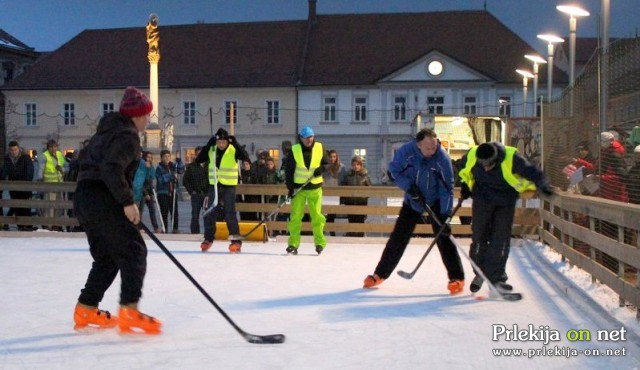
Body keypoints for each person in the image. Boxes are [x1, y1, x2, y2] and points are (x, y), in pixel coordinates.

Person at [73, 86, 161, 334]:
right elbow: (112, 168)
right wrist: (127, 202)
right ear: (137, 115)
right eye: (146, 115)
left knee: (107, 257)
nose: (147, 120)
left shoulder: (105, 132)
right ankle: (130, 311)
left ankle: (86, 308)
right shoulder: (127, 136)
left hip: (85, 198)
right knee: (134, 251)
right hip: (103, 197)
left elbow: (88, 165)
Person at [362, 128, 465, 295]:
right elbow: (394, 171)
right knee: (398, 238)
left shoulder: (442, 158)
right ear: (418, 145)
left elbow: (447, 188)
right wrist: (409, 188)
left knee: (444, 238)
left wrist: (445, 215)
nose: (432, 151)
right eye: (428, 148)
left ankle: (457, 278)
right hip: (413, 200)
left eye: (434, 146)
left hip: (436, 201)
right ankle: (379, 274)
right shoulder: (406, 152)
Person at [458, 141, 553, 294]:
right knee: (478, 238)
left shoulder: (511, 158)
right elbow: (462, 168)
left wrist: (543, 186)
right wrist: (464, 184)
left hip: (504, 202)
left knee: (500, 240)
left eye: (489, 165)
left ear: (496, 159)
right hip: (482, 200)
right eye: (482, 164)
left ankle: (497, 279)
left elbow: (532, 172)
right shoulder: (472, 154)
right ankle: (481, 273)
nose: (485, 168)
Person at [195, 127, 250, 253]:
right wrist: (208, 144)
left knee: (229, 213)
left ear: (227, 142)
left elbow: (245, 157)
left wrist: (235, 143)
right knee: (209, 212)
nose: (221, 145)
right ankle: (208, 238)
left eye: (223, 142)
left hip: (228, 186)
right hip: (214, 185)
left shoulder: (233, 149)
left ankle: (236, 241)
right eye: (219, 142)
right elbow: (199, 160)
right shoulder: (212, 149)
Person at [284, 126, 329, 255]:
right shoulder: (295, 150)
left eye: (310, 137)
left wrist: (321, 169)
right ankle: (293, 243)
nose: (309, 140)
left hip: (315, 188)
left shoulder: (320, 147)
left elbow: (326, 163)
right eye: (306, 138)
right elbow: (289, 171)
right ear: (301, 138)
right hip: (299, 189)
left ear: (313, 137)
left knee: (317, 217)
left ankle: (320, 243)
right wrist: (290, 188)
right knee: (295, 218)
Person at [2, 140, 35, 230]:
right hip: (13, 187)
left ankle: (28, 226)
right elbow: (4, 171)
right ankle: (20, 225)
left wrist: (25, 183)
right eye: (12, 150)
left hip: (24, 186)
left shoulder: (25, 157)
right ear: (9, 150)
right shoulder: (8, 159)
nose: (14, 152)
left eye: (15, 149)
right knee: (16, 206)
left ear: (18, 148)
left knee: (25, 207)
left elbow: (29, 171)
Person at [39, 139, 68, 231]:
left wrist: (62, 169)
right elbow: (41, 170)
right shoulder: (44, 156)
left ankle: (56, 224)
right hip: (49, 184)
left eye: (55, 146)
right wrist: (40, 181)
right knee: (49, 206)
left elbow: (66, 166)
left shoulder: (59, 154)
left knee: (59, 205)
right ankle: (48, 225)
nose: (53, 149)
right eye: (51, 147)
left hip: (59, 183)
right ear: (48, 148)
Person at [340, 155, 371, 237]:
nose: (356, 166)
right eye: (354, 165)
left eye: (357, 164)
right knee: (351, 220)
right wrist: (344, 200)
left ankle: (360, 234)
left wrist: (364, 197)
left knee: (360, 220)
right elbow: (344, 187)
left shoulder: (365, 175)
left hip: (361, 202)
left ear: (361, 165)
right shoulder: (348, 175)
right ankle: (351, 234)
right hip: (350, 202)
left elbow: (370, 189)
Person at [155, 150, 185, 233]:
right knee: (164, 211)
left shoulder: (172, 166)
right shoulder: (159, 168)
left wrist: (179, 160)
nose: (167, 158)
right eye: (165, 157)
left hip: (172, 192)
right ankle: (164, 228)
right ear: (161, 158)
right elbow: (161, 179)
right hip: (163, 192)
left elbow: (181, 169)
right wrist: (171, 176)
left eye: (168, 156)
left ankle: (175, 228)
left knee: (174, 211)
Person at [183, 146, 209, 234]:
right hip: (196, 195)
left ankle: (208, 232)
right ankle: (194, 232)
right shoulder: (191, 167)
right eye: (198, 154)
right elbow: (185, 181)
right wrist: (191, 191)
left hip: (206, 195)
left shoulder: (209, 166)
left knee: (208, 215)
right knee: (195, 215)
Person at [133, 151, 160, 233]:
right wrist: (145, 193)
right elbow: (140, 181)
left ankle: (155, 227)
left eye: (151, 157)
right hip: (142, 192)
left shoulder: (150, 167)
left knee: (152, 209)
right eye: (148, 157)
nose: (150, 159)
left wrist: (149, 168)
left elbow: (152, 177)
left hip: (149, 191)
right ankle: (138, 227)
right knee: (140, 210)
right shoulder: (140, 167)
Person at [598, 131, 628, 202]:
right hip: (611, 189)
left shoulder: (613, 154)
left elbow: (621, 175)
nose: (600, 145)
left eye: (601, 142)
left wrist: (602, 177)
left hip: (614, 191)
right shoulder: (610, 151)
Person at [323, 149, 347, 236]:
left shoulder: (341, 167)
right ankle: (323, 230)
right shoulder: (325, 167)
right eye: (331, 157)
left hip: (336, 193)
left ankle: (332, 231)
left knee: (332, 214)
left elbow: (344, 180)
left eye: (334, 157)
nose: (332, 158)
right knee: (323, 213)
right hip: (325, 192)